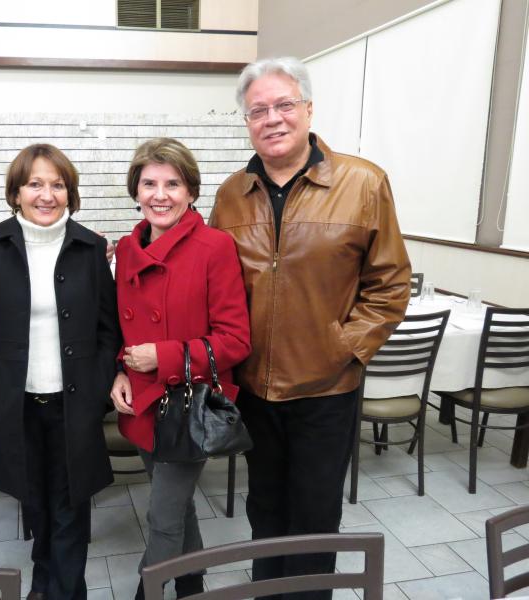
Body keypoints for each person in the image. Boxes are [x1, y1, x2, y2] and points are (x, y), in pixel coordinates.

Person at [210, 57, 411, 599]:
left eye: (284, 105)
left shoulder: (363, 182)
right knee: (264, 506)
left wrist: (343, 348)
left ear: (308, 110)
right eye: (258, 110)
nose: (272, 118)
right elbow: (213, 283)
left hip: (327, 388)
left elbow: (390, 283)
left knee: (315, 513)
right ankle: (267, 591)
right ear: (247, 121)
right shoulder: (231, 194)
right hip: (254, 387)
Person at [0, 143, 121, 600]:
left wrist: (95, 392)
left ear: (70, 193)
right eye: (35, 184)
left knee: (70, 506)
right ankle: (43, 582)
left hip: (74, 402)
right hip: (17, 404)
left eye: (58, 185)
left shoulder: (90, 247)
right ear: (16, 193)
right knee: (35, 502)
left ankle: (67, 592)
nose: (47, 195)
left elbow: (108, 329)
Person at [110, 138, 251, 599]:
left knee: (162, 516)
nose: (160, 195)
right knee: (177, 503)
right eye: (149, 183)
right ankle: (191, 581)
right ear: (135, 191)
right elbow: (121, 329)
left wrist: (164, 357)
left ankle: (147, 591)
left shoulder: (215, 247)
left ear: (191, 191)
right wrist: (120, 371)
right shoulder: (126, 249)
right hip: (142, 401)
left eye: (173, 184)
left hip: (189, 404)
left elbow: (235, 340)